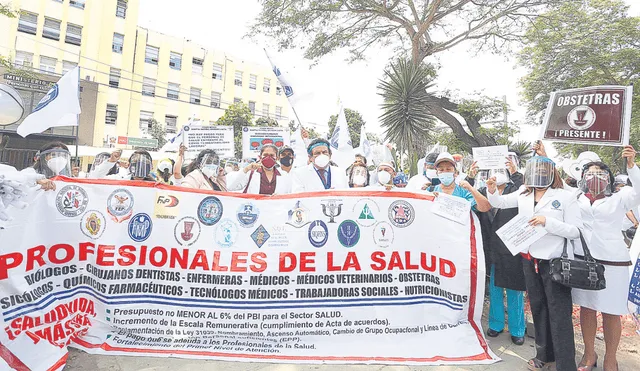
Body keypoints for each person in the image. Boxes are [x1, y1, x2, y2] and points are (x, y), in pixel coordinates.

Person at [487, 156, 582, 371]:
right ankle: (543, 357)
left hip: (554, 261)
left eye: (543, 170)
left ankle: (565, 364)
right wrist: (492, 189)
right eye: (534, 170)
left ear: (552, 172)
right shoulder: (523, 193)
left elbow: (576, 231)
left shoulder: (566, 197)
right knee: (538, 308)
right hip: (530, 260)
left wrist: (548, 222)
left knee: (559, 313)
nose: (538, 174)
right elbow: (500, 203)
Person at [573, 146, 639, 371]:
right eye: (589, 174)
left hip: (613, 263)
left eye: (600, 174)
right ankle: (589, 355)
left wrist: (631, 166)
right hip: (584, 261)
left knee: (611, 311)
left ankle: (611, 358)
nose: (594, 178)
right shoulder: (576, 197)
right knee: (587, 308)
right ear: (582, 178)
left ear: (608, 178)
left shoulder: (621, 197)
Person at [475, 160, 527, 346]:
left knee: (515, 289)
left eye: (501, 170)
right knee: (495, 288)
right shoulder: (483, 191)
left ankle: (517, 329)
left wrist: (515, 171)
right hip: (491, 246)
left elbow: (526, 186)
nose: (497, 174)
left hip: (513, 246)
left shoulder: (519, 189)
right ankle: (495, 325)